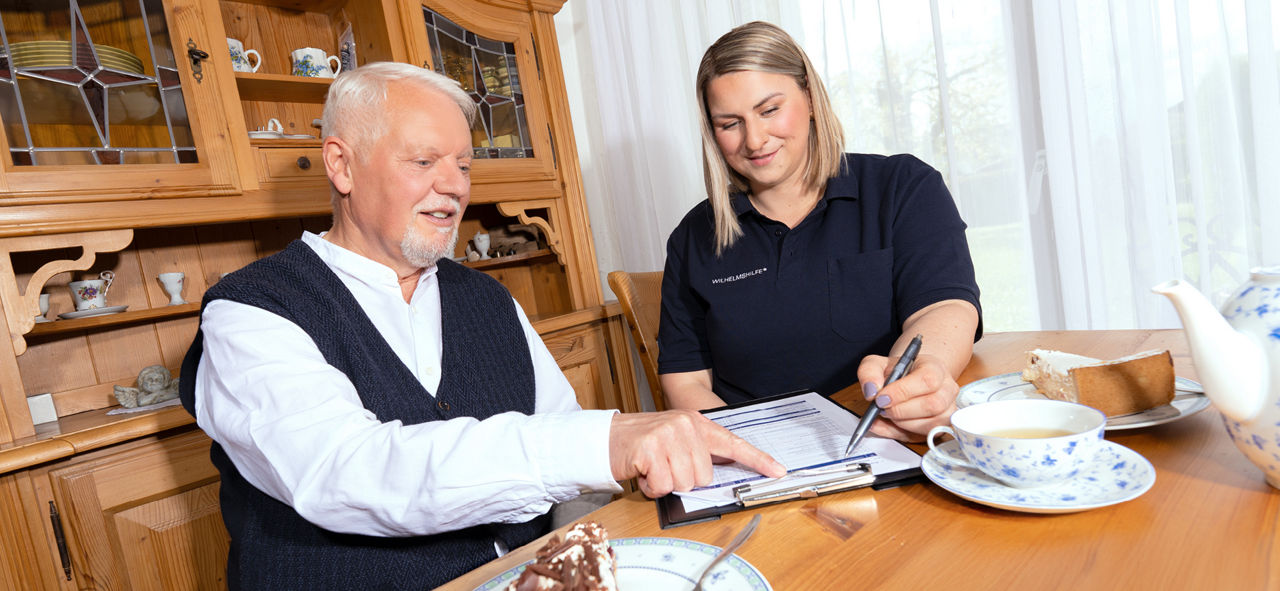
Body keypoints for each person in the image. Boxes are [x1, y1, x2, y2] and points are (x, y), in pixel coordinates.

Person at [178, 62, 784, 590]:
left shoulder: (489, 300)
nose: (454, 187)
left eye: (464, 165)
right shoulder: (250, 312)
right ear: (342, 164)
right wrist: (607, 441)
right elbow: (347, 471)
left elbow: (569, 461)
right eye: (423, 161)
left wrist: (601, 552)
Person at [658, 22, 982, 442]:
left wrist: (920, 378)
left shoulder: (903, 186)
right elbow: (687, 382)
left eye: (769, 109)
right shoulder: (691, 238)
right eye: (729, 123)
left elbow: (943, 309)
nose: (754, 140)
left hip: (884, 442)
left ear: (809, 97)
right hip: (758, 462)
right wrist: (752, 451)